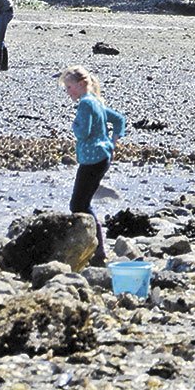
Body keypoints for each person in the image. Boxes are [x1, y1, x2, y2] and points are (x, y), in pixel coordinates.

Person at [59, 66, 126, 266]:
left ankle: (97, 250)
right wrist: (113, 141)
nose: (68, 92)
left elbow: (83, 133)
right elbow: (119, 120)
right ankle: (95, 249)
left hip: (92, 159)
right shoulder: (96, 101)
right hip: (102, 157)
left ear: (81, 85)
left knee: (79, 205)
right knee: (82, 203)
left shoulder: (86, 104)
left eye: (69, 87)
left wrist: (74, 125)